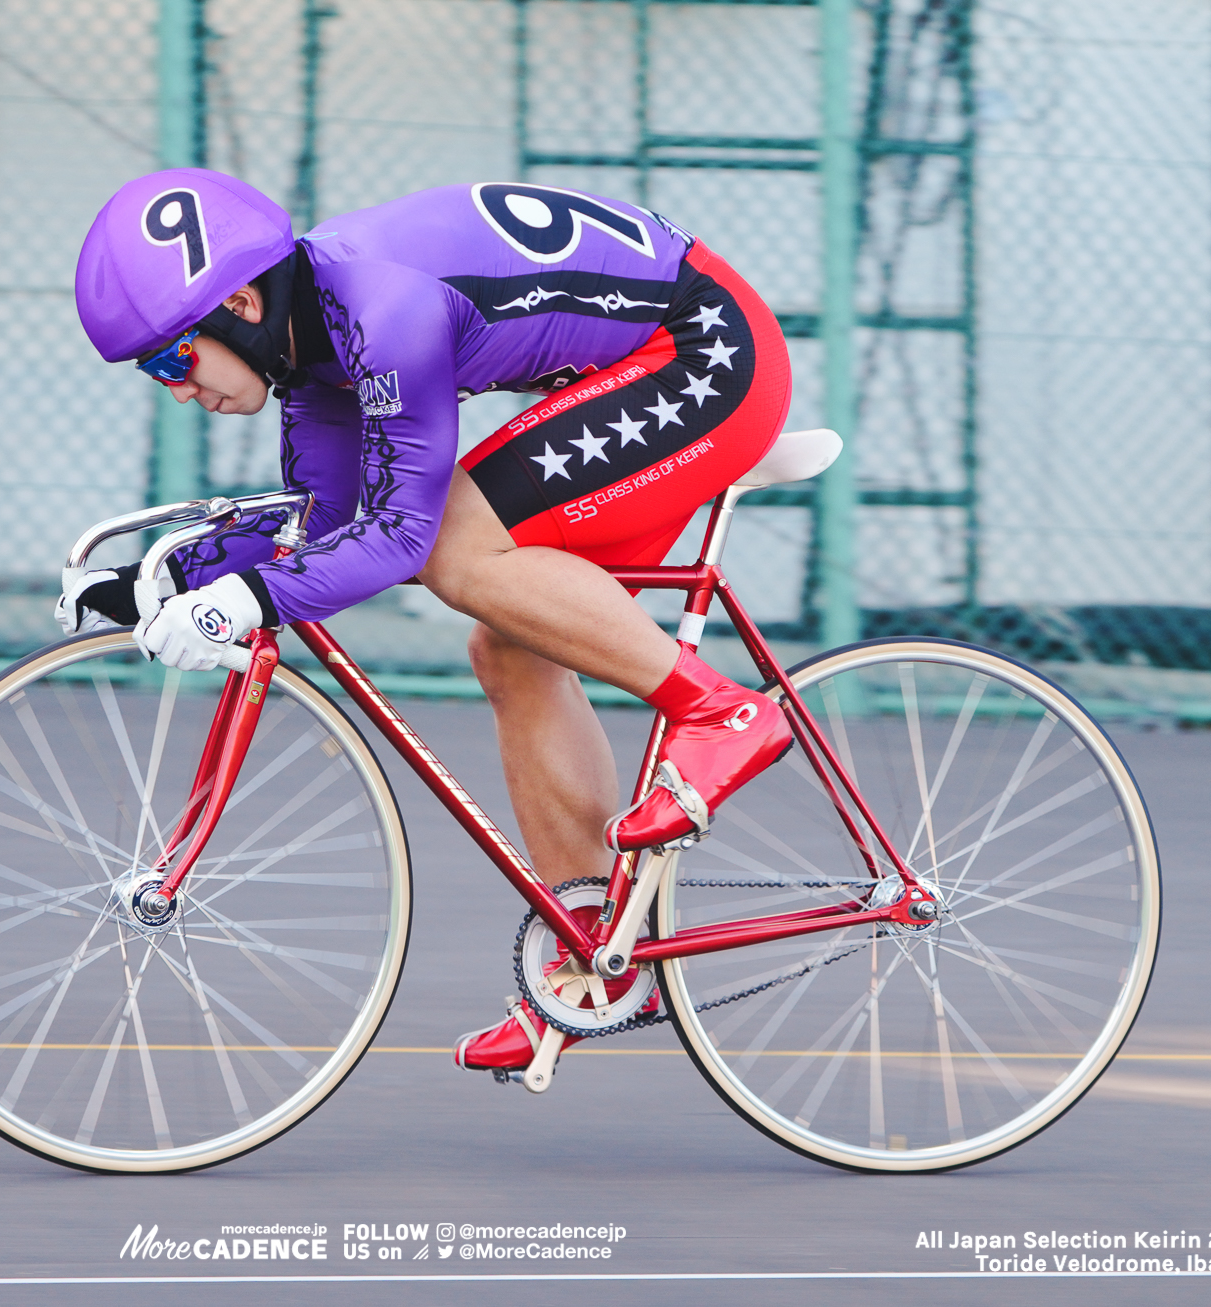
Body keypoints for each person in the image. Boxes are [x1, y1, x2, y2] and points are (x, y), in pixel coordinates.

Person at [64, 168, 794, 1076]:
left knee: (457, 548)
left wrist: (243, 599)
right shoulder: (312, 349)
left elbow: (403, 537)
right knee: (508, 643)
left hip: (708, 350)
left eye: (176, 359)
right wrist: (160, 577)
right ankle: (588, 963)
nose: (177, 390)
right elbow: (325, 527)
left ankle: (722, 711)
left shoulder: (382, 308)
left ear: (242, 304)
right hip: (645, 362)